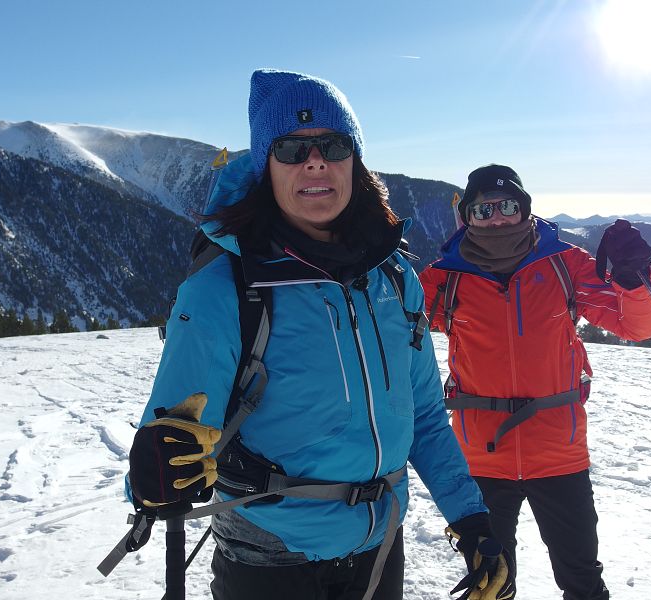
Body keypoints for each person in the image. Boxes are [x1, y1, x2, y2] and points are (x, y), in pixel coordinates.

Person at [125, 70, 513, 600]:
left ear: (355, 160)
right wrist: (154, 476)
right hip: (271, 554)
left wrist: (471, 520)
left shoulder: (394, 279)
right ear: (266, 166)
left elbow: (422, 417)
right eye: (290, 148)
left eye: (332, 144)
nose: (314, 161)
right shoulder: (226, 287)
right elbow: (167, 442)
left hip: (380, 545)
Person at [419, 164, 651, 600]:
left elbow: (636, 327)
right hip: (481, 458)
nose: (497, 217)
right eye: (483, 209)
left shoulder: (566, 264)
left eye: (508, 206)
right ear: (467, 217)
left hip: (559, 455)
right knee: (490, 581)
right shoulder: (444, 279)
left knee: (581, 577)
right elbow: (395, 325)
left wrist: (632, 279)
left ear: (525, 209)